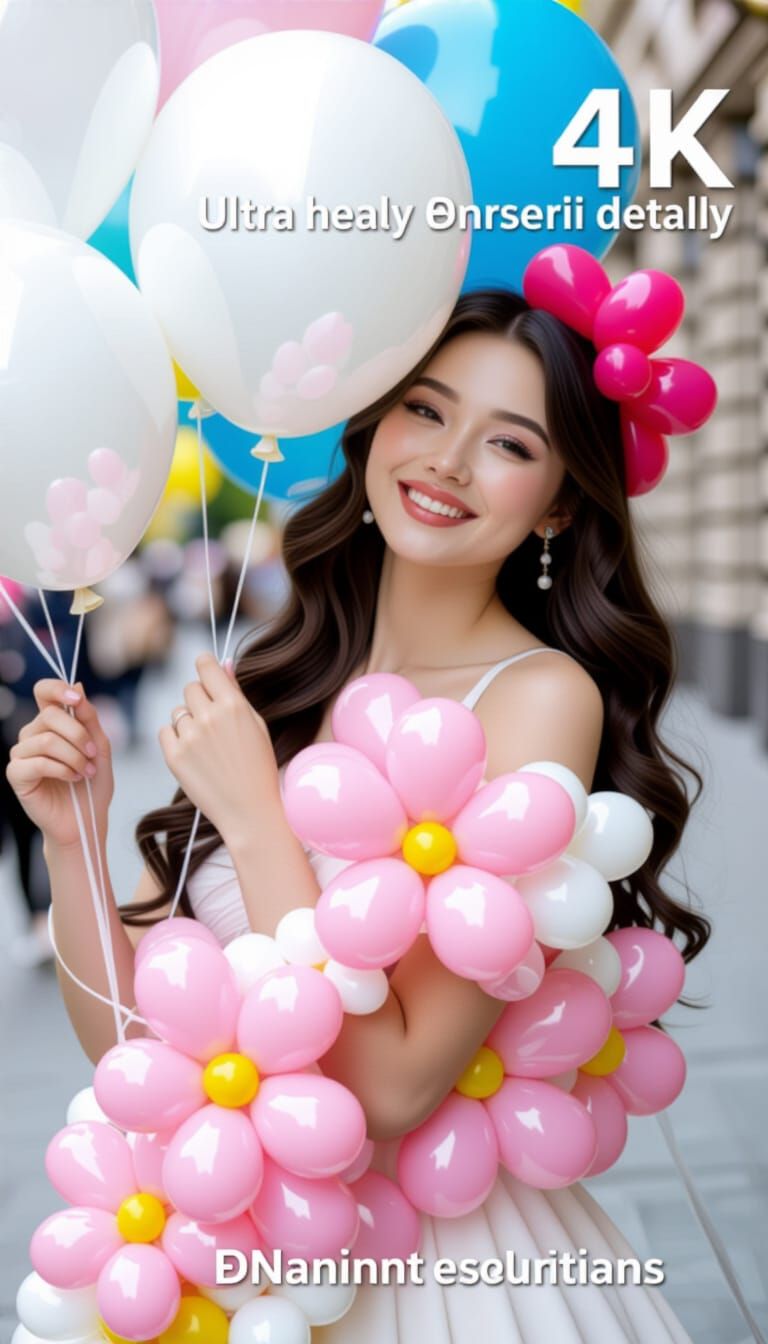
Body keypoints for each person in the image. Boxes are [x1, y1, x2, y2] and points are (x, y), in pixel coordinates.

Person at [7, 288, 709, 1342]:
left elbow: (394, 1088)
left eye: (509, 443)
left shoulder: (536, 695)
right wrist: (75, 841)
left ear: (560, 502)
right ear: (374, 425)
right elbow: (136, 1057)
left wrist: (257, 819)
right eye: (426, 411)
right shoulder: (286, 681)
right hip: (237, 1266)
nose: (449, 460)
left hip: (432, 1271)